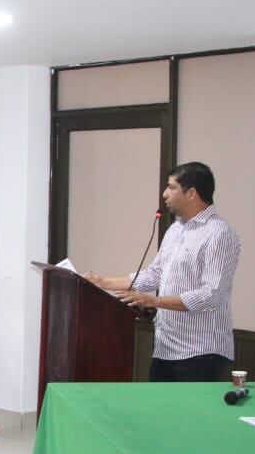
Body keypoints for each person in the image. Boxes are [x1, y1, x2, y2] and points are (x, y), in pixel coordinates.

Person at [85, 162, 241, 382]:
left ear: (192, 193)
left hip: (202, 352)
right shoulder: (176, 229)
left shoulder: (219, 233)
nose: (164, 194)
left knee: (188, 417)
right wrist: (101, 282)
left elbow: (212, 295)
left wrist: (154, 301)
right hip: (165, 349)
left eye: (171, 187)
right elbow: (155, 274)